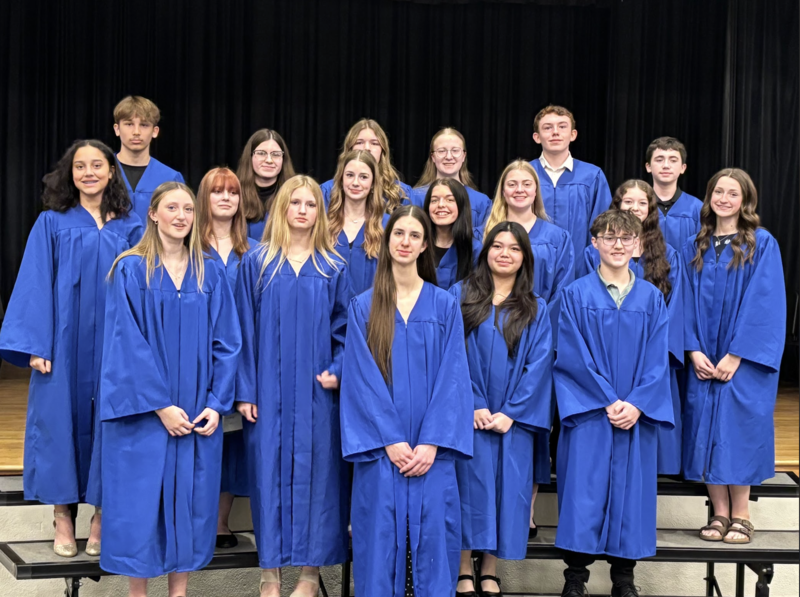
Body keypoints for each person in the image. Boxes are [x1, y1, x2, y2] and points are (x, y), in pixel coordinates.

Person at [0, 140, 142, 558]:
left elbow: (143, 288)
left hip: (115, 345)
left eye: (97, 165)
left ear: (112, 171)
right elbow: (34, 282)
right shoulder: (52, 222)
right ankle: (63, 514)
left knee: (112, 423)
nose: (89, 172)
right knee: (60, 422)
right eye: (80, 166)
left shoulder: (131, 226)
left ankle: (101, 514)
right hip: (63, 344)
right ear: (71, 173)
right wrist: (37, 345)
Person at [99, 182, 241, 597]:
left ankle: (179, 592)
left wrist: (216, 405)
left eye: (187, 209)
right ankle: (138, 593)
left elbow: (228, 342)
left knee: (191, 502)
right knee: (140, 504)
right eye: (171, 208)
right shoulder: (130, 268)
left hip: (196, 411)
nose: (181, 216)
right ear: (154, 215)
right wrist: (161, 406)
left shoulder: (209, 271)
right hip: (145, 415)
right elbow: (126, 345)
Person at [340, 205, 472, 597]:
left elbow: (453, 379)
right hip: (383, 452)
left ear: (424, 246)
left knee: (433, 541)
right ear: (386, 240)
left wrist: (431, 441)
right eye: (399, 234)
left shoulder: (445, 305)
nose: (405, 242)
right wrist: (390, 440)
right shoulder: (364, 307)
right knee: (379, 543)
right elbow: (360, 383)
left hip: (431, 453)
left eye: (415, 235)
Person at [235, 175, 352, 597]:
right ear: (281, 208)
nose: (303, 211)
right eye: (295, 203)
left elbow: (347, 330)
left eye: (311, 204)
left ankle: (308, 574)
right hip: (268, 392)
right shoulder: (257, 262)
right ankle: (270, 575)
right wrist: (245, 388)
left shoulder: (333, 265)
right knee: (268, 476)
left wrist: (340, 367)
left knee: (319, 478)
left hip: (317, 394)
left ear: (320, 212)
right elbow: (241, 330)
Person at [555, 209, 672, 597]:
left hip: (633, 416)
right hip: (592, 412)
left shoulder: (652, 299)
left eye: (626, 238)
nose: (618, 245)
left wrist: (637, 403)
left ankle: (624, 579)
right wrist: (607, 400)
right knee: (582, 492)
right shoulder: (575, 294)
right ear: (595, 244)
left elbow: (658, 361)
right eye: (609, 237)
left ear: (638, 245)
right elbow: (571, 356)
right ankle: (575, 579)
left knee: (631, 492)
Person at [451, 222, 554, 597]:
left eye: (514, 248)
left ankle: (490, 567)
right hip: (469, 416)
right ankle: (464, 565)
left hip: (513, 420)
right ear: (486, 252)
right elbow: (452, 356)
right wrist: (474, 403)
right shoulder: (460, 296)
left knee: (505, 491)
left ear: (524, 257)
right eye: (497, 246)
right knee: (467, 488)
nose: (504, 253)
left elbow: (540, 365)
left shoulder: (536, 308)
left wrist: (512, 411)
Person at [684, 169, 786, 545]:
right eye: (718, 191)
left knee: (738, 426)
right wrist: (692, 349)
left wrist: (737, 355)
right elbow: (683, 304)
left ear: (745, 200)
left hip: (741, 359)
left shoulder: (762, 243)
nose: (724, 199)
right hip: (704, 357)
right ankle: (719, 513)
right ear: (709, 196)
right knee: (707, 427)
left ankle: (741, 514)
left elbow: (766, 304)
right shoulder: (696, 244)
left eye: (733, 193)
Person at [479, 160, 574, 534]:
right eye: (511, 183)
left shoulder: (557, 236)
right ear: (502, 189)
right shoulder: (484, 232)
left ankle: (525, 510)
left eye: (526, 183)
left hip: (537, 341)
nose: (519, 189)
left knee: (531, 429)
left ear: (537, 190)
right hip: (488, 341)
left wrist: (540, 339)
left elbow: (563, 294)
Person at [583, 180, 687, 474]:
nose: (635, 208)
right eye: (628, 202)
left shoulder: (669, 256)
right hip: (604, 358)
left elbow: (675, 309)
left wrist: (655, 356)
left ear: (651, 209)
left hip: (650, 359)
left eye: (642, 203)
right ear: (617, 206)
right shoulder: (593, 254)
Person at [195, 167, 258, 549]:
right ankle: (193, 521)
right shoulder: (188, 246)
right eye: (217, 192)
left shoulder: (251, 251)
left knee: (233, 441)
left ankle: (219, 521)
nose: (225, 199)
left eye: (232, 193)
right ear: (204, 198)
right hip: (197, 354)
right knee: (199, 434)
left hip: (239, 356)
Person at [530, 105, 612, 259]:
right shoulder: (523, 175)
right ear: (537, 137)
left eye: (562, 127)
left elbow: (603, 229)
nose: (555, 132)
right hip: (531, 265)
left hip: (579, 266)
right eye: (547, 128)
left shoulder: (592, 176)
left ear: (573, 134)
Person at [112, 96, 185, 222]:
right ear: (117, 129)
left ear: (155, 131)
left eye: (144, 125)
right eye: (129, 124)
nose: (136, 132)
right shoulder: (102, 172)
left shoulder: (170, 178)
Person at [321, 119, 412, 212]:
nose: (367, 148)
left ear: (383, 151)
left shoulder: (402, 192)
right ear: (349, 149)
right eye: (359, 142)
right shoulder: (327, 190)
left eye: (374, 143)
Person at [327, 149, 386, 294]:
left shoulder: (387, 226)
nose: (355, 182)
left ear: (373, 183)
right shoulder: (324, 223)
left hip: (371, 313)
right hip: (330, 314)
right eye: (349, 175)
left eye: (364, 177)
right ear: (341, 179)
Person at [412, 127, 492, 227]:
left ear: (463, 156)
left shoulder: (481, 202)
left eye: (455, 150)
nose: (449, 157)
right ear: (433, 157)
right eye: (441, 151)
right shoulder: (414, 198)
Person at [236, 129, 297, 240]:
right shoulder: (234, 194)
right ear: (250, 156)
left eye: (276, 154)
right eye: (261, 153)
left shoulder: (295, 195)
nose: (269, 160)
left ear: (283, 159)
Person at [644, 136, 702, 250]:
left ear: (683, 168)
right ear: (648, 166)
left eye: (673, 160)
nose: (666, 165)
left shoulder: (697, 208)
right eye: (659, 160)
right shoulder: (638, 206)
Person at [422, 178, 482, 289]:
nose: (440, 205)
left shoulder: (475, 249)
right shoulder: (418, 244)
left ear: (461, 205)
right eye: (434, 200)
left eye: (450, 200)